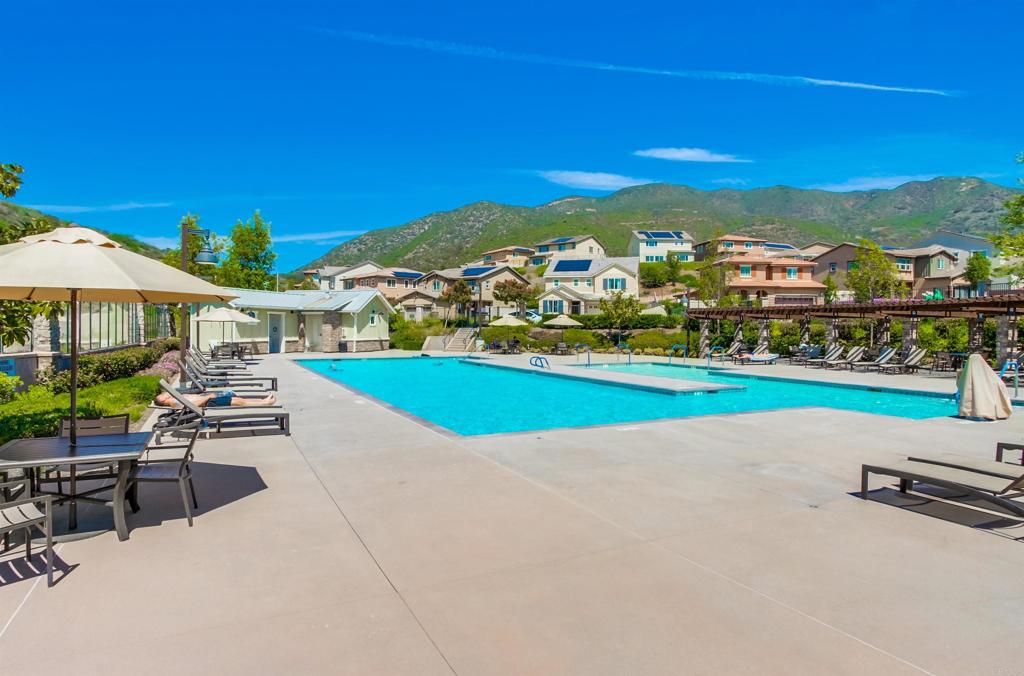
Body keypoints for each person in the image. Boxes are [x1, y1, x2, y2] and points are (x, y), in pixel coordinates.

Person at [154, 389, 277, 409]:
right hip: (210, 402)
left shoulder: (174, 399)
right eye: (163, 395)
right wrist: (208, 396)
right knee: (239, 402)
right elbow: (192, 405)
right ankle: (265, 403)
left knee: (238, 399)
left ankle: (263, 401)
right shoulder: (174, 403)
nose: (165, 393)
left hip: (209, 399)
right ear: (163, 401)